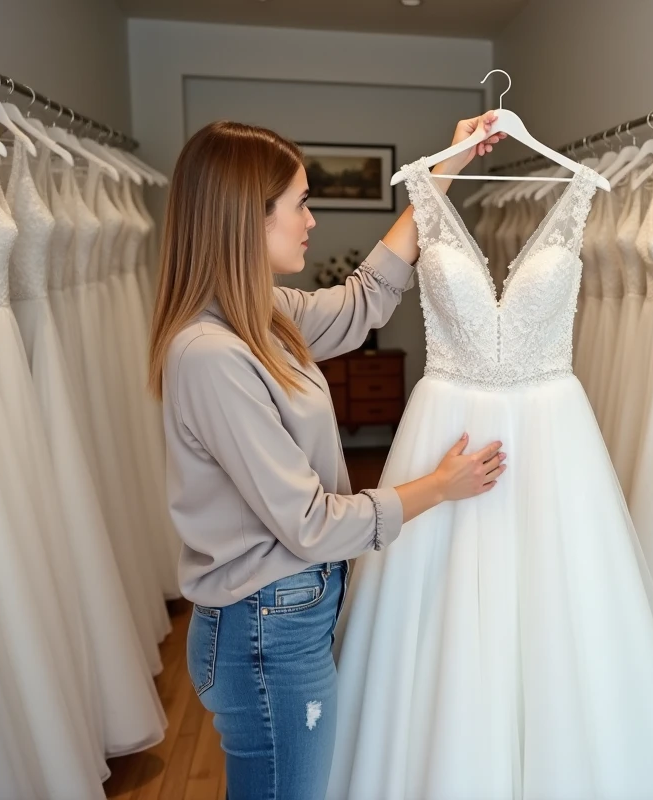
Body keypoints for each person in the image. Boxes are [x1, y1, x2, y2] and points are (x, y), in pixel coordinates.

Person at [146, 113, 507, 800]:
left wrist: (445, 172)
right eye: (301, 203)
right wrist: (438, 485)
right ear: (247, 219)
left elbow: (365, 301)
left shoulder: (262, 314)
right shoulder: (212, 355)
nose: (312, 221)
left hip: (284, 618)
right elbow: (307, 522)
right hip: (266, 632)